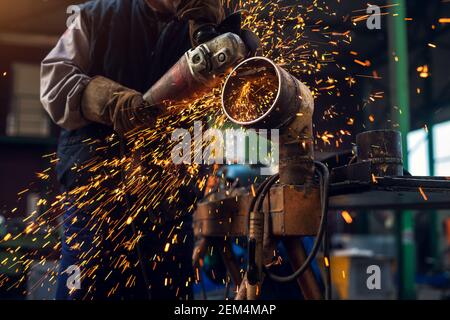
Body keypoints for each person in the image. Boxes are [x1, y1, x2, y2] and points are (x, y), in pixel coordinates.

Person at [40, 0, 225, 300]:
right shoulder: (96, 16)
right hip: (97, 204)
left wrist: (229, 35)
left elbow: (244, 86)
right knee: (81, 291)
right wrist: (110, 102)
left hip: (169, 209)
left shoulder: (208, 22)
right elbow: (55, 83)